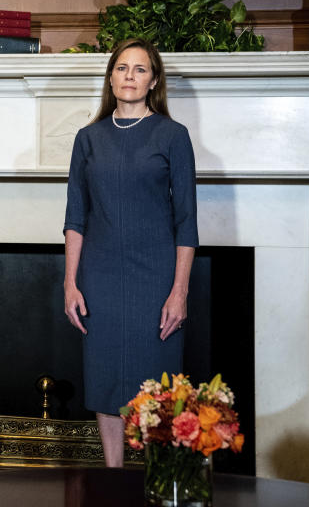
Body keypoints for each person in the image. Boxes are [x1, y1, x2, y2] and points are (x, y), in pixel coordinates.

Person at [62, 37, 198, 467]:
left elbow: (187, 221)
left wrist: (180, 291)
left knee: (156, 383)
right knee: (103, 378)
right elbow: (75, 216)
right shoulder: (88, 138)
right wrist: (70, 283)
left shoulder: (173, 136)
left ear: (154, 80)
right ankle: (113, 476)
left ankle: (159, 477)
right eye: (122, 68)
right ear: (110, 76)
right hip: (98, 276)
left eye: (140, 69)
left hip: (156, 276)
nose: (130, 77)